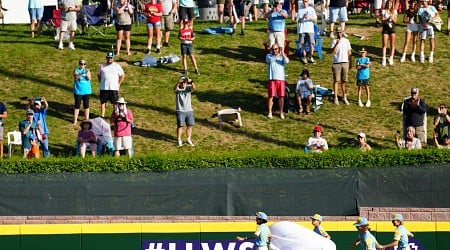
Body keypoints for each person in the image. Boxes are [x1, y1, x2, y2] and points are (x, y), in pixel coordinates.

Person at [97, 51, 125, 119]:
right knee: (103, 102)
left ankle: (116, 115)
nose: (109, 59)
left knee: (115, 103)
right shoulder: (102, 66)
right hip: (104, 88)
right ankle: (102, 116)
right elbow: (98, 75)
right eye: (108, 58)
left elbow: (122, 75)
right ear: (106, 58)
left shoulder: (117, 66)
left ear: (113, 58)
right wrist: (101, 82)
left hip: (113, 88)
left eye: (111, 58)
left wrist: (119, 83)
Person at [266, 43, 289, 120]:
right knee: (270, 96)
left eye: (276, 49)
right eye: (273, 49)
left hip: (281, 79)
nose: (274, 50)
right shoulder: (268, 56)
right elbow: (271, 60)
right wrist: (278, 54)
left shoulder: (281, 56)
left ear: (278, 49)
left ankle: (281, 112)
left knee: (281, 97)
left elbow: (287, 61)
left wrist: (282, 53)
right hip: (272, 79)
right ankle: (270, 112)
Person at [330, 27, 352, 105]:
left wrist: (350, 62)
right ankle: (335, 97)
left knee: (344, 81)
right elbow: (332, 52)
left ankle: (344, 97)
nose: (339, 34)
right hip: (336, 63)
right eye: (338, 32)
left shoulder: (346, 41)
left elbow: (349, 52)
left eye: (340, 32)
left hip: (345, 62)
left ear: (342, 32)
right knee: (336, 80)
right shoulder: (334, 41)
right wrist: (336, 44)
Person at [174, 76, 196, 147]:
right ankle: (179, 139)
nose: (183, 83)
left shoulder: (188, 88)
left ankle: (188, 139)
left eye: (184, 82)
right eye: (182, 82)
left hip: (189, 110)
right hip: (180, 111)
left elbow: (194, 88)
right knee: (180, 126)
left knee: (190, 125)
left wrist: (191, 81)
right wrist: (178, 82)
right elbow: (174, 89)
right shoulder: (178, 89)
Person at [297, 0, 318, 64]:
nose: (305, 2)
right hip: (302, 30)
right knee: (303, 44)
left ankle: (311, 56)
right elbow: (298, 21)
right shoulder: (300, 10)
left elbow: (315, 20)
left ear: (308, 2)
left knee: (311, 44)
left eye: (306, 1)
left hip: (310, 29)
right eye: (304, 1)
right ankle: (305, 57)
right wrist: (302, 18)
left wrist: (309, 18)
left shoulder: (311, 9)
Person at [73, 59, 92, 125]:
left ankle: (87, 119)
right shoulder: (76, 70)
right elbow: (76, 77)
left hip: (86, 91)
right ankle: (75, 120)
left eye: (84, 64)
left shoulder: (87, 70)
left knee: (86, 105)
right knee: (77, 106)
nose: (82, 65)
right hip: (78, 91)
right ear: (79, 64)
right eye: (81, 64)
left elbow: (89, 78)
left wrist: (86, 74)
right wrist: (82, 74)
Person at [381, 0, 397, 66]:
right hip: (385, 29)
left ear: (392, 4)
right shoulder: (384, 11)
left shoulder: (394, 11)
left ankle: (391, 58)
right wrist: (386, 20)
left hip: (392, 29)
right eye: (388, 3)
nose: (389, 5)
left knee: (392, 44)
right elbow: (382, 20)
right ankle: (384, 58)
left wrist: (392, 18)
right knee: (384, 44)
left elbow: (395, 21)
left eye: (390, 3)